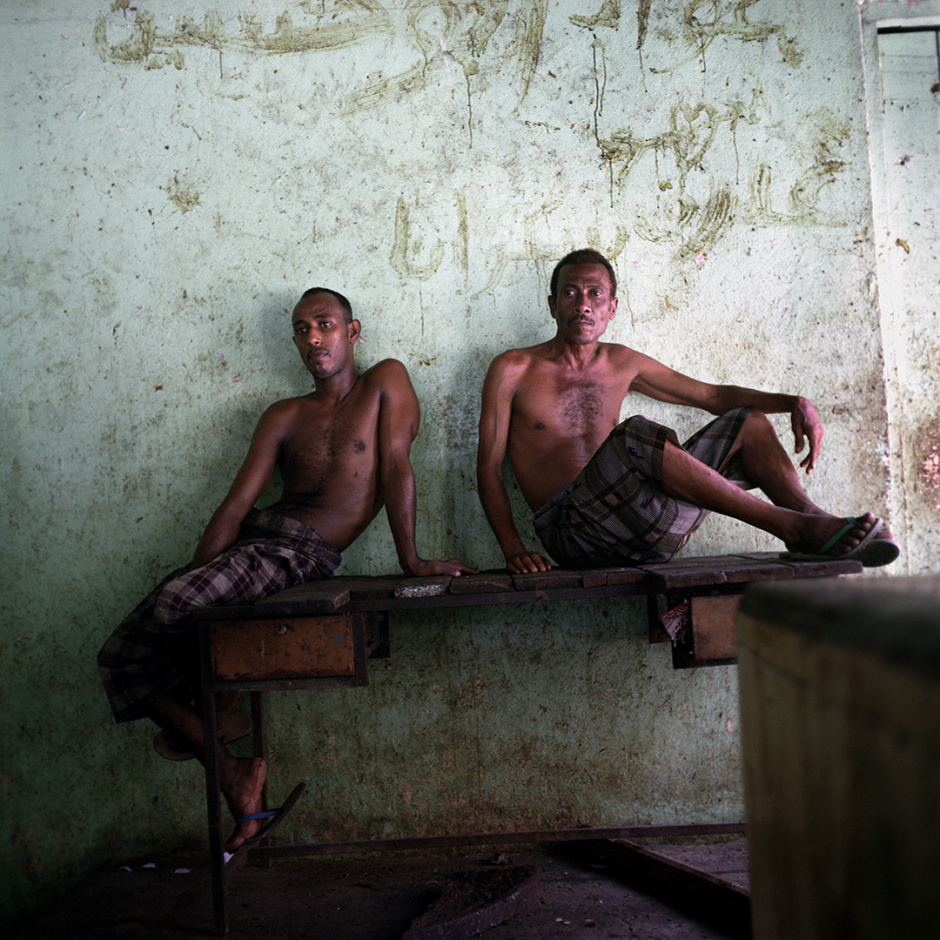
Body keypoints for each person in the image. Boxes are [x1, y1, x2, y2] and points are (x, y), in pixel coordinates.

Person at [99, 287, 475, 851]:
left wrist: (412, 559)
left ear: (353, 332)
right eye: (302, 329)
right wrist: (202, 581)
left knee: (176, 604)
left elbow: (397, 464)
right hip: (254, 545)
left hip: (300, 553)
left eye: (325, 324)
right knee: (119, 657)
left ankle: (214, 711)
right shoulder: (284, 415)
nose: (313, 338)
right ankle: (230, 765)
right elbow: (234, 509)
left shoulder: (385, 381)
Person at [476, 248, 899, 575]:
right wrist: (514, 549)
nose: (582, 304)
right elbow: (489, 468)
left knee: (749, 422)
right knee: (634, 435)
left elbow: (711, 396)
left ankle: (811, 521)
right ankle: (789, 525)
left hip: (650, 530)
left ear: (612, 308)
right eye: (571, 293)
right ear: (552, 305)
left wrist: (793, 403)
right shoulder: (513, 368)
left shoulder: (623, 363)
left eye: (595, 294)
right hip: (574, 534)